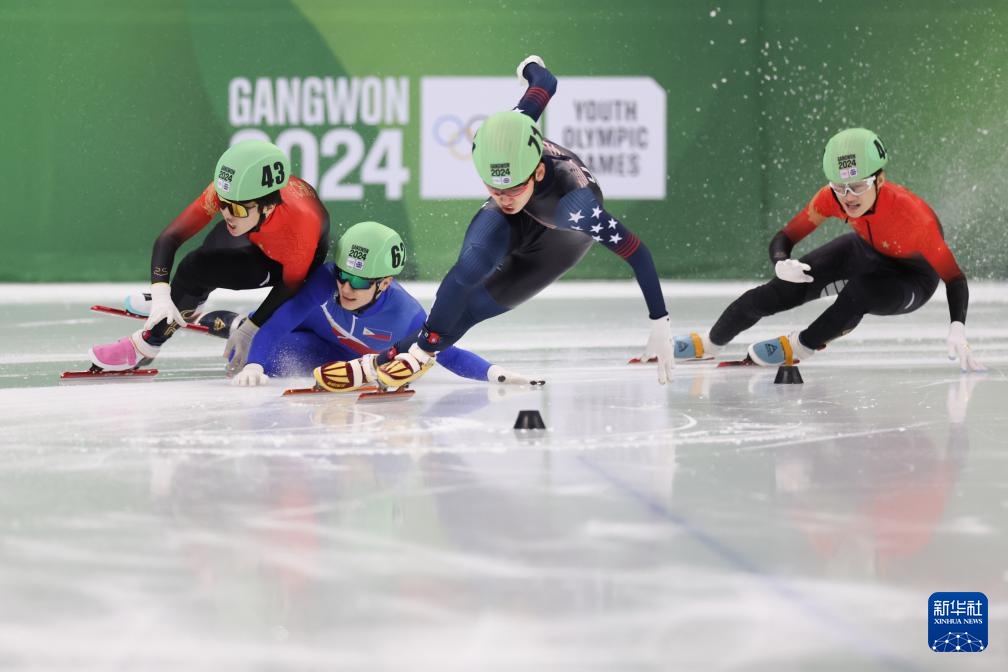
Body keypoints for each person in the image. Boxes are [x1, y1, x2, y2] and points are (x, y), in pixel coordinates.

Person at [322, 55, 674, 393]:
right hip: (520, 217)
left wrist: (660, 320)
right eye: (494, 188)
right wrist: (529, 66)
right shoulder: (510, 130)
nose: (504, 197)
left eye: (513, 188)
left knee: (472, 309)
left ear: (538, 172)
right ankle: (404, 357)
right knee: (468, 268)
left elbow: (637, 252)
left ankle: (397, 358)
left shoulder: (577, 207)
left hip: (560, 242)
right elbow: (545, 82)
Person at [672, 127, 984, 371]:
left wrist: (958, 326)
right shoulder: (830, 198)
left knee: (859, 294)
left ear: (880, 180)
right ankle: (710, 343)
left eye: (858, 186)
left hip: (912, 279)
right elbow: (786, 236)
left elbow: (954, 278)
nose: (848, 197)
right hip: (864, 251)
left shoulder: (915, 219)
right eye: (839, 187)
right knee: (782, 289)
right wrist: (781, 262)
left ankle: (801, 345)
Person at [89, 139, 330, 375]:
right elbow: (171, 236)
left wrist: (251, 327)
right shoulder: (237, 195)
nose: (226, 213)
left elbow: (290, 287)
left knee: (199, 268)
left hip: (283, 263)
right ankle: (187, 300)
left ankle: (144, 346)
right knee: (203, 257)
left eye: (236, 208)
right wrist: (161, 293)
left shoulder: (301, 226)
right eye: (223, 204)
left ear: (267, 207)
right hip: (257, 233)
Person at [210, 220, 538, 388]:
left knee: (284, 361)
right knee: (262, 346)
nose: (345, 288)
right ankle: (242, 323)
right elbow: (286, 316)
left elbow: (447, 352)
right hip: (306, 323)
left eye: (359, 282)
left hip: (334, 351)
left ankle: (241, 327)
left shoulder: (406, 315)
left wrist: (495, 373)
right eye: (342, 276)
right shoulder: (326, 280)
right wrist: (254, 363)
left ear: (385, 283)